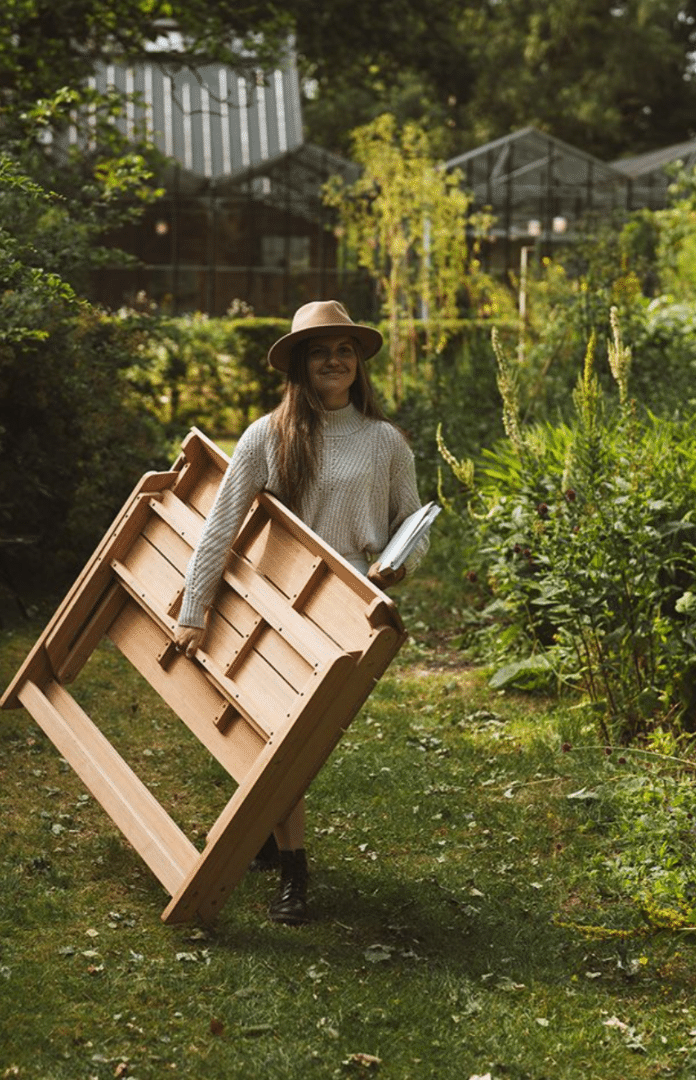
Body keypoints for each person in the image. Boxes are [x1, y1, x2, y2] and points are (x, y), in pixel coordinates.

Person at [172, 300, 428, 925]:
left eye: (343, 350)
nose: (334, 361)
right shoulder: (268, 435)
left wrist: (400, 565)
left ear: (357, 361)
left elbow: (414, 524)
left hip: (347, 604)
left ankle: (265, 833)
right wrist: (193, 606)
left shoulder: (385, 441)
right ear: (301, 365)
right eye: (320, 352)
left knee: (302, 737)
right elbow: (220, 527)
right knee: (282, 735)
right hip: (277, 595)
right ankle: (294, 871)